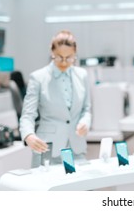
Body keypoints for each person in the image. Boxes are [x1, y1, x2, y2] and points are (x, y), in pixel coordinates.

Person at [19, 30, 92, 168]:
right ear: (52, 53)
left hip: (77, 146)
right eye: (59, 57)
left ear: (75, 54)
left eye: (69, 57)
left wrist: (85, 122)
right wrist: (28, 135)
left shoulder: (82, 75)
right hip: (47, 148)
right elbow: (27, 115)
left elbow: (86, 109)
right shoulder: (38, 77)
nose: (64, 62)